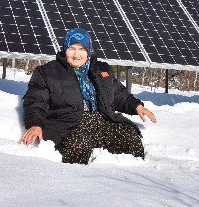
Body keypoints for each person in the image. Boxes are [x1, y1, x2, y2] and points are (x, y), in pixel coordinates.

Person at [21, 28, 156, 164]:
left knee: (131, 138)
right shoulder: (47, 72)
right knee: (80, 143)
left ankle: (122, 177)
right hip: (68, 124)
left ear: (89, 51)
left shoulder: (101, 69)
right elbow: (35, 101)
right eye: (72, 48)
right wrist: (35, 124)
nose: (76, 54)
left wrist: (136, 106)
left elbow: (116, 92)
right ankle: (81, 180)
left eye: (82, 49)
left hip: (101, 120)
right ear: (64, 49)